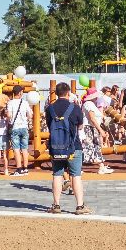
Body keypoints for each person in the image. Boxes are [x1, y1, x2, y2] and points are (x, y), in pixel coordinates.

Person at [46, 83, 87, 214]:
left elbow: (49, 126)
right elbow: (80, 126)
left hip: (56, 147)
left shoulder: (50, 109)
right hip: (73, 146)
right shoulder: (74, 108)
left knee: (57, 175)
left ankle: (56, 205)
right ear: (68, 93)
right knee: (76, 175)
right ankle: (80, 206)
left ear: (56, 93)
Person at [6, 86, 32, 175]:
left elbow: (9, 115)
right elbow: (30, 115)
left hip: (15, 127)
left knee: (16, 149)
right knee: (25, 148)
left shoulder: (10, 103)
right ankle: (25, 168)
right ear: (20, 92)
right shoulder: (25, 102)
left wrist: (9, 119)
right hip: (24, 127)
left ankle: (19, 168)